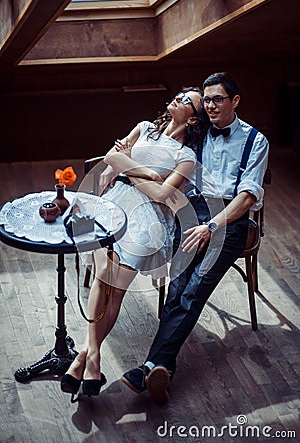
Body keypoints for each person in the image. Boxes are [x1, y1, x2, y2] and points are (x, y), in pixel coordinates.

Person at [122, 72, 269, 403]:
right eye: (208, 101)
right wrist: (126, 158)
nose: (212, 106)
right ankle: (162, 368)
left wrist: (211, 227)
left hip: (229, 223)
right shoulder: (197, 134)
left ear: (235, 101)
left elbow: (247, 198)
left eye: (219, 99)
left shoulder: (255, 141)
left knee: (192, 291)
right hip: (190, 216)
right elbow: (163, 156)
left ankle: (150, 366)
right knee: (176, 289)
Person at [60, 87, 209, 401]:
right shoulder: (144, 127)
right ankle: (92, 358)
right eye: (182, 93)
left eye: (187, 100)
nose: (179, 97)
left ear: (194, 119)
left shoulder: (186, 157)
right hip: (114, 204)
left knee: (117, 289)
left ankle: (84, 357)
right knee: (103, 275)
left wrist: (127, 167)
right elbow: (110, 156)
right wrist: (147, 172)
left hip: (148, 220)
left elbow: (159, 195)